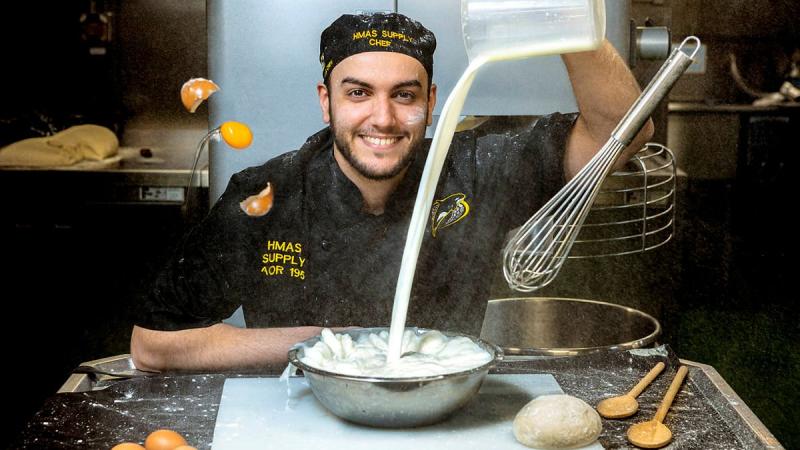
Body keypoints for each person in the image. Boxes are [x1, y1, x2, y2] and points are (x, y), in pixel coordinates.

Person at [131, 12, 652, 372]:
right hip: (295, 414)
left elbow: (620, 130)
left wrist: (568, 22)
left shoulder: (475, 168)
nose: (382, 118)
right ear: (326, 102)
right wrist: (337, 347)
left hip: (445, 410)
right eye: (358, 93)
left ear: (429, 101)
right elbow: (154, 345)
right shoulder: (268, 194)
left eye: (403, 96)